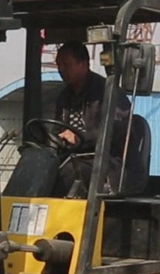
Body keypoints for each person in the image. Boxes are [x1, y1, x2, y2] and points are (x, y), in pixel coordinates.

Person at [53, 41, 142, 197]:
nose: (61, 70)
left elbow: (116, 130)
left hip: (110, 163)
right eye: (59, 65)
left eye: (67, 65)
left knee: (65, 174)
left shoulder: (108, 92)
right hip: (77, 158)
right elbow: (58, 129)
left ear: (84, 64)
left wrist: (80, 138)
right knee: (41, 166)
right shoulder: (63, 97)